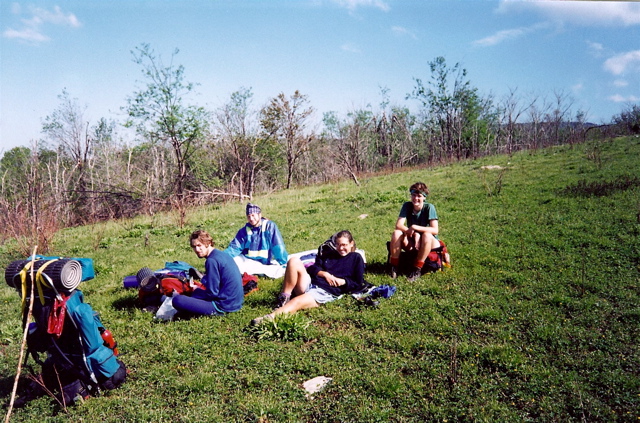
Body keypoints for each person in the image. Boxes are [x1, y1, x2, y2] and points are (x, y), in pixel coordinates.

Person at [251, 230, 366, 325]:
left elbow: (358, 283)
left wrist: (344, 282)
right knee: (293, 260)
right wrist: (324, 274)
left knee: (297, 302)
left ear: (351, 243)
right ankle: (283, 299)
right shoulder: (329, 254)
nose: (341, 248)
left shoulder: (356, 258)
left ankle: (269, 319)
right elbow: (312, 268)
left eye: (344, 245)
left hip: (325, 291)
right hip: (311, 283)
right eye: (338, 245)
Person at [171, 230, 244, 317]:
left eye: (199, 245)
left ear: (208, 243)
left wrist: (199, 295)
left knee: (177, 300)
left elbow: (212, 293)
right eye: (194, 247)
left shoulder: (211, 261)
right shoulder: (221, 254)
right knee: (196, 292)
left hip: (223, 306)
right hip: (236, 303)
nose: (197, 249)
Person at [388, 182, 441, 282]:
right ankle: (394, 267)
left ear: (424, 198)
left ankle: (417, 269)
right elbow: (399, 225)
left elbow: (435, 230)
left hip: (430, 243)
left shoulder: (429, 207)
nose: (416, 198)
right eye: (413, 195)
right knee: (396, 233)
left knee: (426, 235)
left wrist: (415, 228)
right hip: (414, 240)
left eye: (419, 196)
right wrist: (414, 233)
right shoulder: (407, 206)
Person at [225, 203, 289, 278]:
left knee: (279, 270)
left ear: (259, 215)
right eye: (249, 216)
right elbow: (234, 248)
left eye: (253, 215)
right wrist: (220, 259)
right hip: (248, 262)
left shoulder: (269, 226)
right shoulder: (244, 231)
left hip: (263, 264)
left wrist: (283, 263)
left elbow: (278, 247)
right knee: (233, 260)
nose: (251, 219)